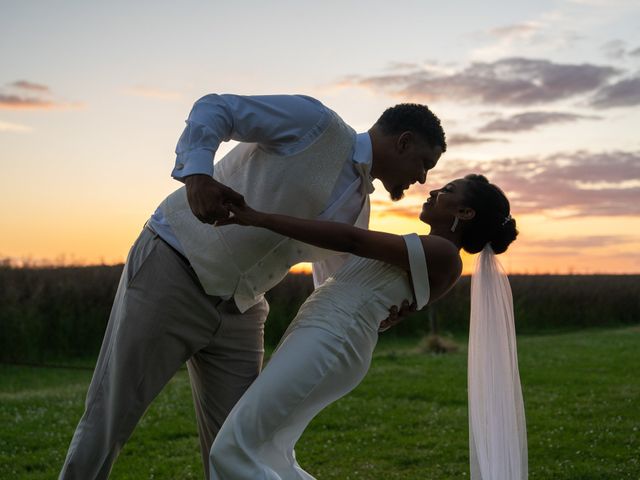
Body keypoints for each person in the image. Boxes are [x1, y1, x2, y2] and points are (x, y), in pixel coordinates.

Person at [59, 94, 447, 479]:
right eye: (423, 163)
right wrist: (197, 176)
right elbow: (215, 107)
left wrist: (384, 310)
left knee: (239, 447)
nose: (422, 178)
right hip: (174, 269)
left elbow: (336, 284)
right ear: (404, 141)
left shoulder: (358, 213)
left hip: (242, 312)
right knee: (110, 418)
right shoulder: (315, 122)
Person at [209, 174, 527, 480]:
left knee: (231, 449)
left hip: (330, 342)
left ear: (464, 212)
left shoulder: (444, 254)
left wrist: (258, 217)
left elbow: (352, 240)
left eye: (448, 189)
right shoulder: (422, 250)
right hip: (321, 335)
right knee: (269, 451)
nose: (433, 191)